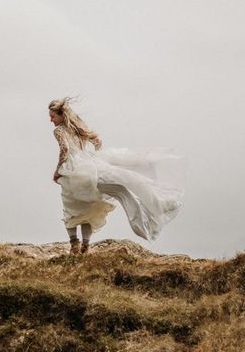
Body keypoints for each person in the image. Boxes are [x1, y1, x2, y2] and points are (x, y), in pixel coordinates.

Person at [49, 98, 183, 254]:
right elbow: (97, 142)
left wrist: (57, 170)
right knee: (89, 208)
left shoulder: (59, 131)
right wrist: (92, 156)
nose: (50, 120)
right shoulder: (77, 129)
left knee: (71, 206)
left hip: (73, 169)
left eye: (52, 116)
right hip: (87, 164)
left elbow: (64, 150)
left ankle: (74, 244)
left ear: (61, 115)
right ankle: (85, 245)